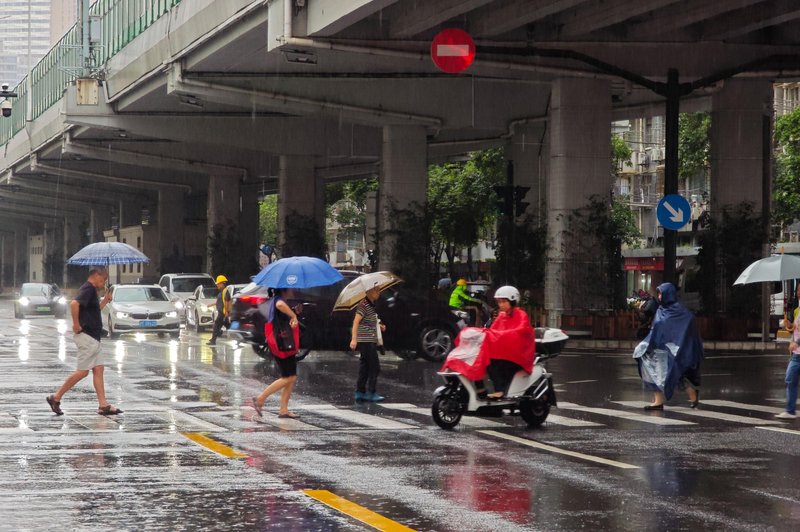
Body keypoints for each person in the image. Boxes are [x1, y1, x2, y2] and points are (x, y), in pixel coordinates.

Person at [46, 268, 122, 416]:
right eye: (104, 279)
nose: (104, 282)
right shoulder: (88, 289)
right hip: (86, 337)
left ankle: (103, 405)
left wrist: (105, 300)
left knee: (98, 369)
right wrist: (75, 324)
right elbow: (74, 304)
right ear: (96, 275)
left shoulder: (92, 291)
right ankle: (55, 397)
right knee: (82, 372)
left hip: (94, 337)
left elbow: (93, 311)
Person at [440, 285, 535, 399]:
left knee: (494, 363)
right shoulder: (502, 315)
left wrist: (501, 335)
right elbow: (492, 330)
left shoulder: (521, 315)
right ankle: (480, 388)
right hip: (504, 350)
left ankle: (501, 390)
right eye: (499, 302)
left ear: (513, 301)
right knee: (480, 359)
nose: (501, 305)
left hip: (517, 354)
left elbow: (521, 331)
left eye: (504, 302)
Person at [633, 282, 703, 410]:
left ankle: (692, 394)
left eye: (661, 294)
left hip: (674, 349)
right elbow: (656, 330)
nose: (659, 297)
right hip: (659, 348)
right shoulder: (661, 310)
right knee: (655, 372)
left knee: (675, 374)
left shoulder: (681, 312)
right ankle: (658, 402)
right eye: (658, 294)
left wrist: (681, 342)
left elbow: (686, 326)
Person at [252, 288, 301, 419]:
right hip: (282, 343)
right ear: (285, 290)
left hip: (285, 342)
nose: (293, 290)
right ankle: (260, 399)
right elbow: (280, 306)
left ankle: (283, 410)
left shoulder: (281, 300)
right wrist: (293, 315)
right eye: (291, 288)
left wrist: (295, 312)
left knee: (291, 377)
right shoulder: (279, 300)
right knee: (288, 377)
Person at [349, 281, 387, 402]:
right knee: (374, 366)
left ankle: (360, 392)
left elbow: (371, 321)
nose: (379, 293)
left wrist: (380, 326)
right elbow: (356, 321)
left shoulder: (371, 305)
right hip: (366, 340)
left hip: (369, 340)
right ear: (370, 291)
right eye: (377, 290)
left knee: (365, 366)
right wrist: (354, 339)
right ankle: (371, 392)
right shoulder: (364, 305)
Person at [776, 283, 800, 419]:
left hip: (797, 348)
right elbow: (796, 329)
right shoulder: (797, 310)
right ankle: (790, 411)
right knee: (790, 379)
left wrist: (797, 343)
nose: (799, 292)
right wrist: (789, 325)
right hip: (796, 355)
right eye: (798, 290)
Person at [207, 274, 231, 346]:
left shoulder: (225, 291)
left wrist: (226, 312)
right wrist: (211, 304)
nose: (217, 285)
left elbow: (226, 302)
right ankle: (237, 337)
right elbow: (220, 302)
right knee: (228, 326)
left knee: (216, 326)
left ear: (222, 283)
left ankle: (213, 340)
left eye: (218, 284)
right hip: (222, 313)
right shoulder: (222, 292)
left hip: (223, 313)